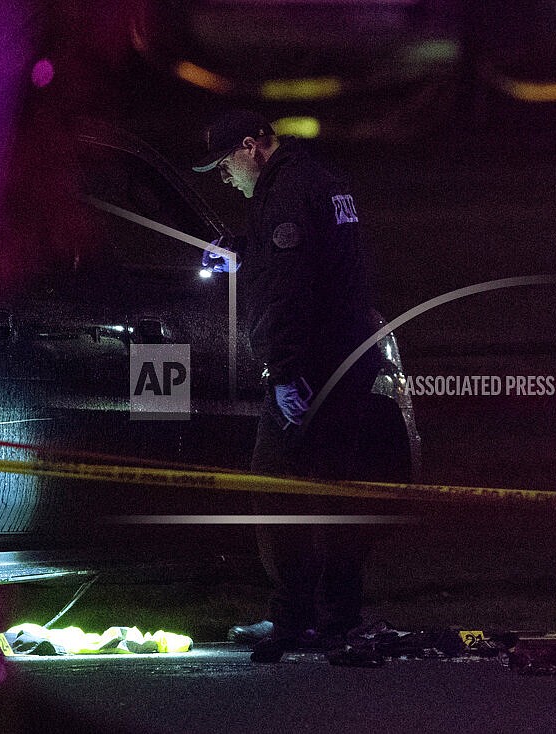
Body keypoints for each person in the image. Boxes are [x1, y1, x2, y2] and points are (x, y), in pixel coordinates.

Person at [192, 110, 386, 662]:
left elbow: (289, 291)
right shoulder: (322, 181)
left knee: (276, 485)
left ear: (251, 147)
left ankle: (297, 617)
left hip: (314, 368)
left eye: (226, 165)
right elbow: (310, 261)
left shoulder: (284, 194)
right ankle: (337, 617)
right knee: (334, 492)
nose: (225, 178)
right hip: (348, 359)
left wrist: (283, 373)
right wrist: (242, 250)